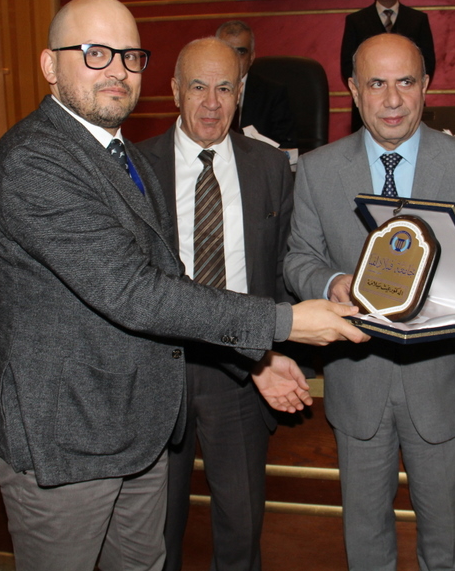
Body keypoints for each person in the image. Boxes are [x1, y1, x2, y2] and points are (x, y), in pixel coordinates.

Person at [0, 0, 367, 571]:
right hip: (69, 438)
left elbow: (172, 282)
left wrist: (255, 357)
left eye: (129, 56)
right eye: (95, 53)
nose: (116, 70)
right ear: (49, 65)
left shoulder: (121, 157)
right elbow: (134, 292)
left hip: (139, 430)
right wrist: (283, 323)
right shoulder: (35, 159)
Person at [285, 33, 455, 571]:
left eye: (405, 81)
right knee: (365, 542)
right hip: (358, 384)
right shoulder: (317, 168)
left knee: (445, 544)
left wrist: (443, 295)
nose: (392, 99)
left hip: (441, 385)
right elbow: (298, 257)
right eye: (376, 83)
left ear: (426, 86)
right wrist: (332, 282)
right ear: (353, 90)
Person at [136, 36, 295, 571]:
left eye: (224, 88)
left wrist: (274, 349)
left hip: (243, 370)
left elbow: (282, 266)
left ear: (241, 92)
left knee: (242, 527)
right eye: (198, 87)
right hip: (159, 368)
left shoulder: (270, 166)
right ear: (174, 90)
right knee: (157, 532)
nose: (211, 103)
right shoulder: (135, 168)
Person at [340, 0, 435, 131]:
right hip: (370, 104)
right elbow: (348, 65)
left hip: (407, 104)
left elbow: (427, 63)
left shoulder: (418, 19)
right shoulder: (356, 20)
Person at [216, 20, 297, 148]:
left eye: (240, 52)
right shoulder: (202, 92)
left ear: (251, 57)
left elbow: (286, 147)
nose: (233, 59)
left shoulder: (273, 95)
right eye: (227, 51)